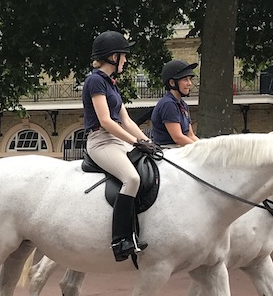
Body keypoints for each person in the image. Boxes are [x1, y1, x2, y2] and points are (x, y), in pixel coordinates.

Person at [82, 30, 161, 262]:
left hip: (117, 140)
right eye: (123, 55)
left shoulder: (111, 84)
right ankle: (120, 240)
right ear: (112, 57)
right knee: (132, 179)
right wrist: (135, 142)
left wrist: (148, 142)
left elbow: (125, 120)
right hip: (101, 141)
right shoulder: (95, 81)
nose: (126, 60)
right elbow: (106, 121)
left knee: (153, 166)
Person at [150, 60, 199, 147]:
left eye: (190, 79)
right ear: (172, 83)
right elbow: (178, 138)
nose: (189, 83)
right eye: (185, 79)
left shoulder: (183, 104)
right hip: (166, 152)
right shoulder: (168, 104)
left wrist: (205, 147)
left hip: (178, 151)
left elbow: (190, 135)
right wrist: (200, 149)